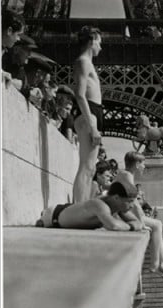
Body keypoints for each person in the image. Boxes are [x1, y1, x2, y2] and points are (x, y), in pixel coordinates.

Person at [116, 152, 163, 276]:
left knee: (157, 225)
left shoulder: (124, 175)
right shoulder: (127, 176)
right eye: (143, 164)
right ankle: (156, 263)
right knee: (157, 225)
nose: (144, 167)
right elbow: (134, 203)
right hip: (120, 214)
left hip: (121, 212)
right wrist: (141, 221)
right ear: (137, 164)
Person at [72, 26, 103, 202]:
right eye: (99, 42)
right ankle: (79, 209)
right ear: (91, 41)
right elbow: (79, 94)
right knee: (87, 167)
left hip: (92, 112)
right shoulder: (83, 61)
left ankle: (80, 207)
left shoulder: (87, 63)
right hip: (89, 113)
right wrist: (92, 126)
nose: (101, 47)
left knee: (90, 168)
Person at [35, 181, 143, 231]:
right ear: (116, 198)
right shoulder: (100, 205)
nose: (132, 206)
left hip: (68, 212)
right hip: (53, 216)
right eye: (130, 201)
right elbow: (113, 226)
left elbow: (139, 223)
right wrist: (131, 227)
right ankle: (42, 219)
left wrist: (132, 225)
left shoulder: (118, 206)